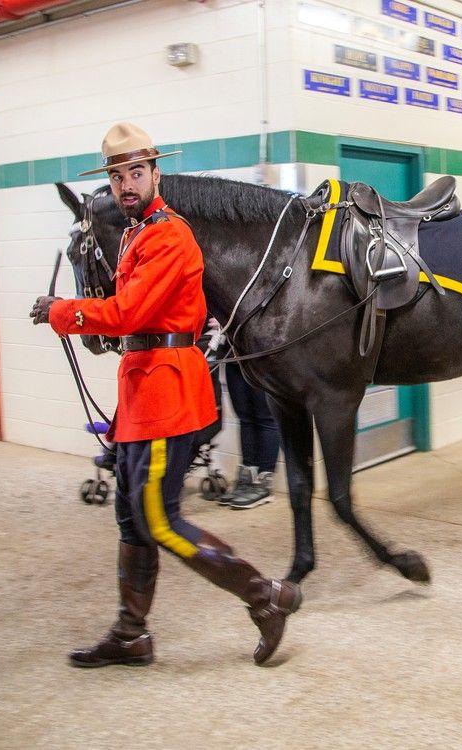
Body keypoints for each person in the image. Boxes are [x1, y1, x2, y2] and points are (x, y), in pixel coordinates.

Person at [29, 122, 300, 667]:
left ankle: (266, 598)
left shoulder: (169, 235)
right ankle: (131, 634)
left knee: (158, 518)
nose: (126, 184)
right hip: (141, 391)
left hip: (167, 394)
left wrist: (62, 310)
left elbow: (130, 313)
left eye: (135, 172)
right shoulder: (135, 233)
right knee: (131, 518)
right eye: (116, 175)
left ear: (155, 174)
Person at [217, 355, 281, 510]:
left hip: (262, 355)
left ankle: (263, 483)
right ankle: (247, 477)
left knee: (265, 418)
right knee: (244, 418)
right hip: (234, 357)